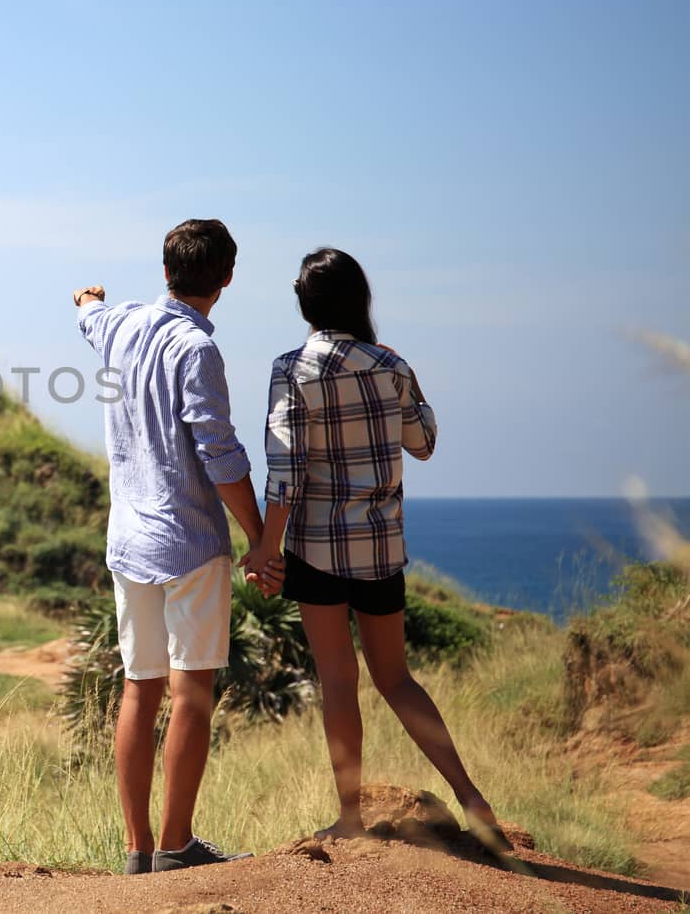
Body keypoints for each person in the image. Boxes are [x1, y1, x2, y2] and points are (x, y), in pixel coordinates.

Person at [243, 247, 508, 851]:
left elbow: (284, 470)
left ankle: (349, 818)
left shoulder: (290, 369)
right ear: (359, 299)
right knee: (397, 678)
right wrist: (410, 393)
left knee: (338, 682)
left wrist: (265, 550)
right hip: (381, 549)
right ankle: (473, 800)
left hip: (313, 549)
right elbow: (424, 443)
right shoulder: (391, 365)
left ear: (304, 303)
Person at [73, 218, 281, 875]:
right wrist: (257, 535)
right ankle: (176, 844)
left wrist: (88, 299)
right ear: (226, 278)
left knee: (140, 689)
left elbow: (90, 315)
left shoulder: (121, 324)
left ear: (165, 270)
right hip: (188, 540)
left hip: (128, 540)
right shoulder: (197, 349)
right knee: (192, 693)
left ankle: (137, 849)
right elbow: (219, 451)